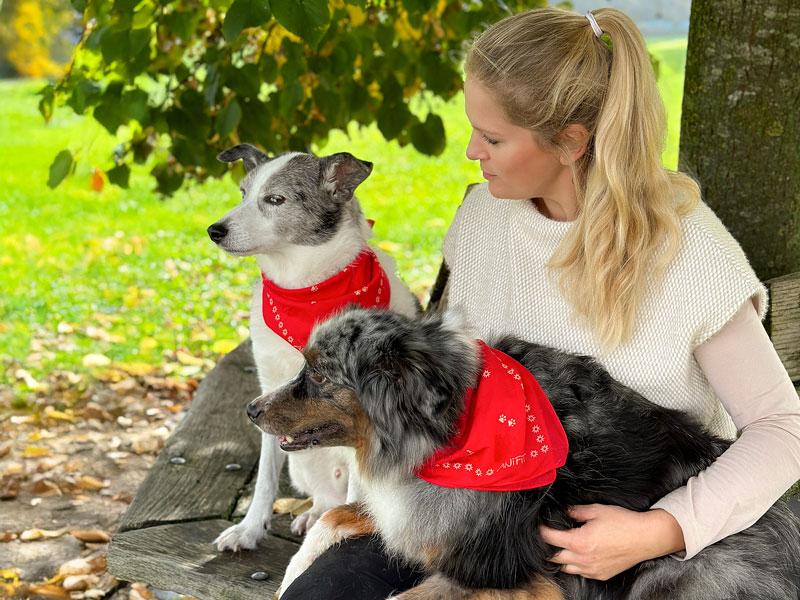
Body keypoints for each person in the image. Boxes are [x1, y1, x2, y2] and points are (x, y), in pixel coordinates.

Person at [281, 7, 800, 598]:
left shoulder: (690, 252)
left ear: (569, 142)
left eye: (493, 138)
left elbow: (783, 430)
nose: (472, 151)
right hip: (479, 523)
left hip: (655, 553)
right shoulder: (484, 220)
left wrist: (659, 530)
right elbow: (445, 395)